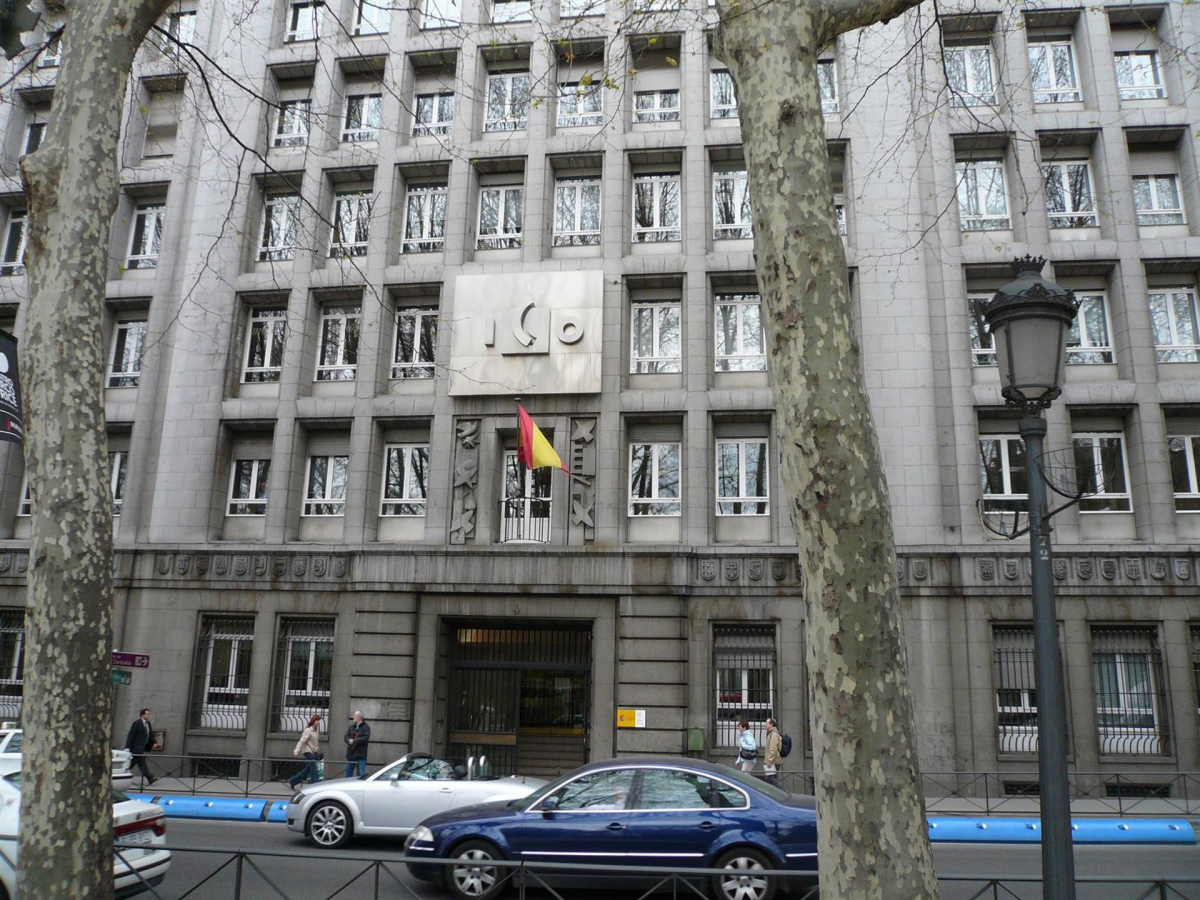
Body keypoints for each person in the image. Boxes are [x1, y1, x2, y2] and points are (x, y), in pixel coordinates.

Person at [124, 708, 157, 786]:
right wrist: (127, 747)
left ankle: (122, 773)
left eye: (149, 714)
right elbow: (131, 735)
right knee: (141, 762)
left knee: (132, 764)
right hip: (136, 748)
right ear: (142, 715)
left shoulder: (148, 723)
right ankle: (150, 777)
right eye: (147, 714)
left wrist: (154, 743)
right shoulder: (137, 723)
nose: (149, 715)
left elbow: (150, 734)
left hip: (142, 747)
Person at [289, 714, 322, 789]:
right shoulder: (308, 730)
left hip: (313, 751)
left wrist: (316, 750)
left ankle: (293, 781)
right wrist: (296, 751)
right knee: (313, 766)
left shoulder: (316, 730)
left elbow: (315, 743)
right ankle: (315, 784)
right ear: (313, 721)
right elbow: (301, 741)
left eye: (319, 721)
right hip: (307, 751)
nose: (318, 722)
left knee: (307, 770)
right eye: (317, 721)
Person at [343, 710, 370, 778]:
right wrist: (349, 740)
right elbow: (345, 736)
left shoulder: (366, 727)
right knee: (347, 775)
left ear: (359, 717)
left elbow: (365, 738)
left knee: (360, 776)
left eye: (354, 715)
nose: (353, 717)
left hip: (360, 756)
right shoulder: (351, 726)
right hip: (350, 755)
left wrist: (354, 741)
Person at [762, 717, 783, 788]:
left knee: (770, 778)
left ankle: (783, 791)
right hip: (775, 760)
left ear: (771, 724)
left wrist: (769, 761)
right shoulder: (772, 733)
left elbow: (773, 748)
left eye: (767, 723)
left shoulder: (774, 734)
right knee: (772, 778)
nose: (765, 725)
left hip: (774, 761)